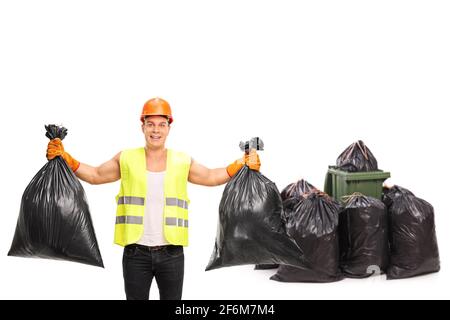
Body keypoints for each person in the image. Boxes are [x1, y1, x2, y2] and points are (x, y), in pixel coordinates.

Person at [46, 97, 261, 300]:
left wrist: (239, 164)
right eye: (150, 124)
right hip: (135, 254)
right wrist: (68, 159)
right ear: (142, 127)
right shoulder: (127, 158)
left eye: (161, 124)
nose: (156, 130)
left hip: (172, 254)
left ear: (169, 128)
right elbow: (95, 175)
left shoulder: (181, 160)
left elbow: (211, 177)